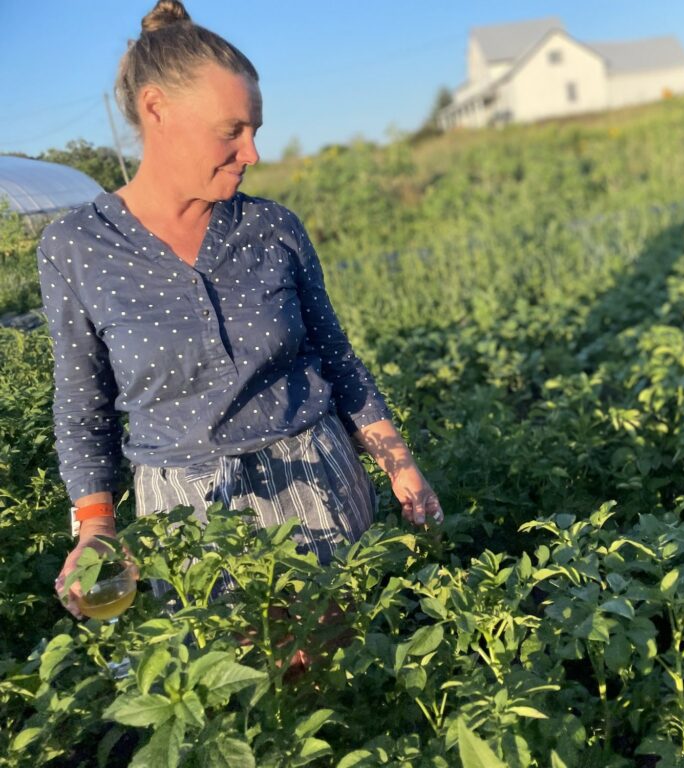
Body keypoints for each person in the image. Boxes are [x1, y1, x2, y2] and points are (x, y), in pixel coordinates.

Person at [40, 0, 443, 619]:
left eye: (255, 129)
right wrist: (94, 524)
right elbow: (80, 404)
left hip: (316, 476)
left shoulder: (271, 227)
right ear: (157, 110)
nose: (252, 151)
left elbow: (334, 357)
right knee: (235, 691)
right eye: (232, 130)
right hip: (187, 512)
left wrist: (398, 462)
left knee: (337, 680)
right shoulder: (79, 246)